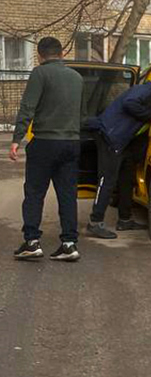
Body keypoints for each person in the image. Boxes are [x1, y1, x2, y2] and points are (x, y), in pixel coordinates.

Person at [9, 37, 84, 262]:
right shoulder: (77, 78)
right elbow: (83, 113)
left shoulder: (40, 73)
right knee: (68, 194)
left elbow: (27, 107)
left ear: (40, 55)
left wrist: (16, 139)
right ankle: (69, 244)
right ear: (61, 54)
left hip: (44, 142)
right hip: (71, 143)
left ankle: (32, 242)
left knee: (34, 193)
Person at [84, 80, 151, 239]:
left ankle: (125, 219)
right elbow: (130, 103)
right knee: (107, 179)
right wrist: (150, 115)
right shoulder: (148, 90)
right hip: (110, 136)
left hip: (124, 142)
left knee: (127, 179)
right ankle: (95, 222)